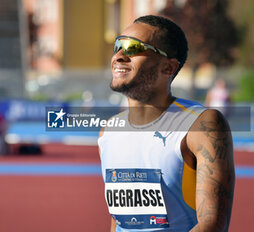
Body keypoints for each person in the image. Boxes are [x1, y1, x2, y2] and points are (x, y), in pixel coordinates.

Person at [98, 15, 234, 232]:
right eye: (118, 45)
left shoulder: (201, 126)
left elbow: (212, 225)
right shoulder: (108, 132)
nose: (120, 56)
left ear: (168, 68)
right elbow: (119, 220)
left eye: (133, 48)